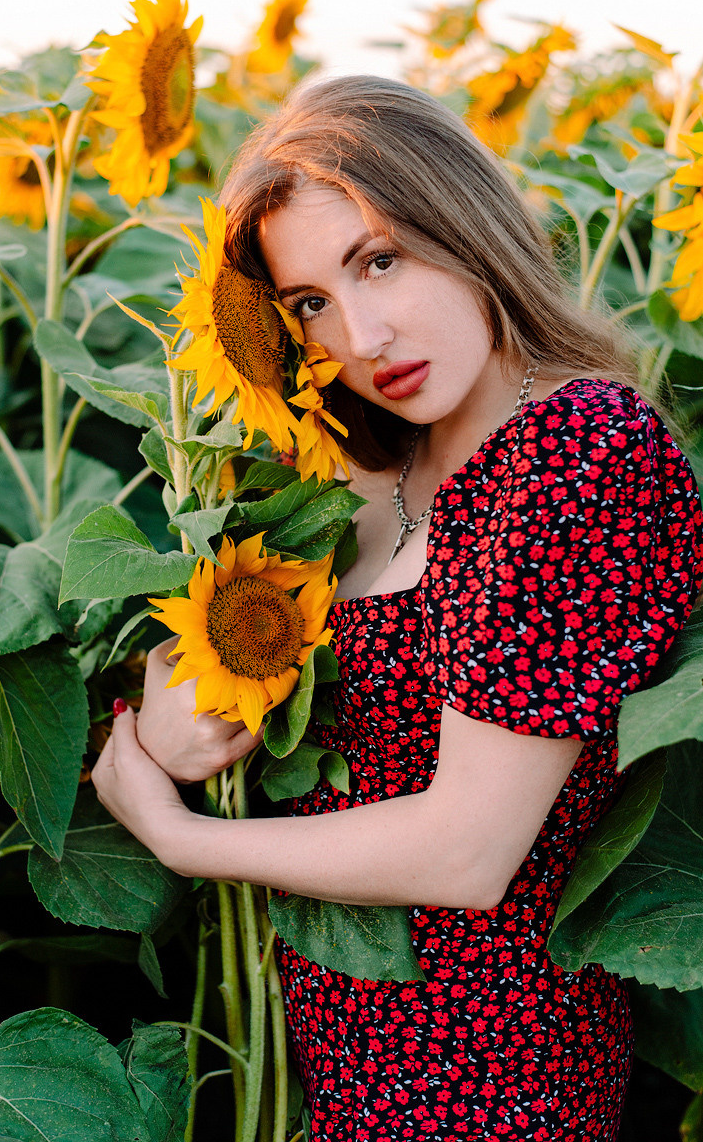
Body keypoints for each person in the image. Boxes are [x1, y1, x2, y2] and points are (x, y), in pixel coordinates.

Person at [92, 75, 703, 1141]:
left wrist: (181, 837)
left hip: (492, 1081)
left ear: (463, 223)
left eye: (379, 260)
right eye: (309, 303)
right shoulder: (369, 470)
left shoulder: (583, 449)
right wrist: (171, 719)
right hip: (332, 1063)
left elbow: (467, 851)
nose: (361, 335)